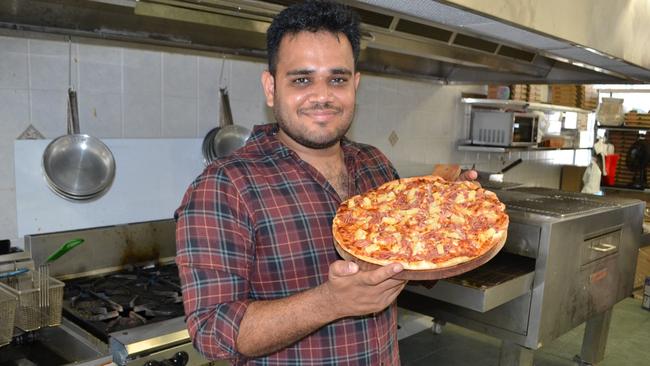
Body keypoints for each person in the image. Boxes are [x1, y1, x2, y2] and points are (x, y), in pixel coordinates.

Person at [175, 1, 475, 365]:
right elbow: (211, 331)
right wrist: (331, 302)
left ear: (355, 84)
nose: (322, 96)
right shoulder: (225, 186)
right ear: (270, 88)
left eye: (338, 79)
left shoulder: (374, 164)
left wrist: (442, 217)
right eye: (302, 79)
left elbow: (416, 267)